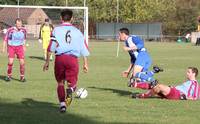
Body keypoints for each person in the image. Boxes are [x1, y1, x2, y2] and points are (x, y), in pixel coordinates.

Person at [43, 9, 90, 113]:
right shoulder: (77, 31)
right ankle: (71, 90)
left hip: (60, 59)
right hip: (72, 59)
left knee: (60, 83)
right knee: (72, 84)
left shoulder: (56, 30)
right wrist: (85, 63)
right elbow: (84, 48)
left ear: (61, 18)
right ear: (72, 18)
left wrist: (47, 62)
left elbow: (51, 47)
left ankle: (62, 105)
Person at [132, 67, 200, 100]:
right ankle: (134, 84)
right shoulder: (188, 82)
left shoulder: (195, 84)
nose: (186, 73)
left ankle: (143, 95)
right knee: (155, 85)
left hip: (178, 94)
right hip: (174, 91)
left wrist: (185, 98)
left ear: (194, 74)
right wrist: (171, 87)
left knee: (159, 86)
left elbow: (196, 97)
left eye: (188, 72)